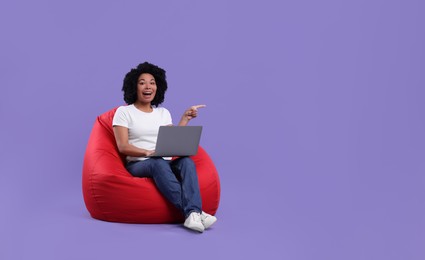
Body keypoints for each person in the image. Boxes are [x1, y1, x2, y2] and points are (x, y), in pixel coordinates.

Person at [112, 61, 217, 233]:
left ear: (158, 87)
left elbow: (172, 141)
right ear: (134, 87)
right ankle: (195, 212)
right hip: (139, 163)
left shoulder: (163, 113)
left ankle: (193, 214)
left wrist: (185, 119)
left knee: (186, 162)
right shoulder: (124, 112)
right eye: (142, 82)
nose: (148, 86)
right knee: (157, 162)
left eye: (152, 82)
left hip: (163, 160)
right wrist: (146, 152)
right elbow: (122, 146)